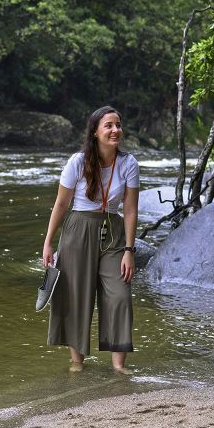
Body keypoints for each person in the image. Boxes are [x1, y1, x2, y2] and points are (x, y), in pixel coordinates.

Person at [42, 106, 140, 374]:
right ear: (95, 132)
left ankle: (119, 365)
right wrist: (48, 242)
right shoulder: (77, 162)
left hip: (114, 232)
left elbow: (131, 210)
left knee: (119, 294)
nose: (115, 130)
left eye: (118, 124)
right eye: (108, 125)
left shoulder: (129, 163)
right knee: (76, 295)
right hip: (78, 230)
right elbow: (61, 204)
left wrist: (130, 250)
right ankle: (77, 361)